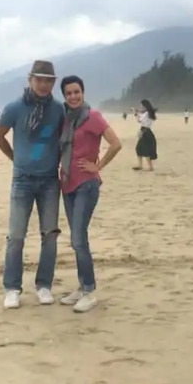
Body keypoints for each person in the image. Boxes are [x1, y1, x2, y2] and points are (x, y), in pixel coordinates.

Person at [0, 60, 65, 309]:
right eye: (39, 79)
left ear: (53, 83)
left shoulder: (58, 110)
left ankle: (44, 285)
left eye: (48, 80)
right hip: (22, 180)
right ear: (30, 79)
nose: (43, 84)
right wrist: (15, 158)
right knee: (16, 236)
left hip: (49, 181)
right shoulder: (15, 107)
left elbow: (66, 138)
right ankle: (12, 288)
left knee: (50, 235)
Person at [59, 75, 122, 312]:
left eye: (77, 92)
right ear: (64, 96)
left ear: (83, 93)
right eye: (68, 93)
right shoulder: (65, 119)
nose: (73, 96)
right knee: (77, 240)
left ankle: (89, 291)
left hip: (86, 184)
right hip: (67, 184)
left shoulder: (92, 116)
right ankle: (82, 286)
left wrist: (98, 165)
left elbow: (116, 143)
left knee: (78, 238)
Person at [132, 99, 158, 171]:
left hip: (145, 132)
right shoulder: (149, 113)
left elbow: (139, 120)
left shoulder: (146, 113)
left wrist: (135, 113)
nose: (141, 107)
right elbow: (144, 118)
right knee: (139, 148)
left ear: (144, 106)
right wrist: (138, 112)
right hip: (147, 131)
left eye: (142, 106)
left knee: (144, 149)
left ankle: (150, 167)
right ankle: (140, 165)